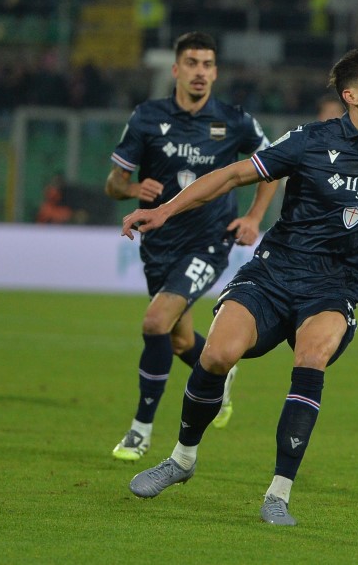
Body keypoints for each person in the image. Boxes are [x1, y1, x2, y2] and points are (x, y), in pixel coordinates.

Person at [121, 45, 358, 527]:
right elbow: (233, 175)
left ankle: (278, 494)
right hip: (272, 275)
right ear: (350, 95)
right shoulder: (310, 140)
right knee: (215, 356)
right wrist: (164, 210)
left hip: (333, 289)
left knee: (311, 358)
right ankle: (182, 459)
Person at [106, 31, 278, 462]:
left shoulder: (234, 121)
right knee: (181, 341)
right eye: (192, 63)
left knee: (154, 322)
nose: (200, 72)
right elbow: (112, 184)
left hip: (210, 241)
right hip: (158, 244)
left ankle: (140, 431)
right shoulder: (146, 118)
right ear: (176, 70)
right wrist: (131, 187)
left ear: (215, 72)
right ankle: (224, 375)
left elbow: (273, 168)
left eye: (207, 65)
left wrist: (254, 217)